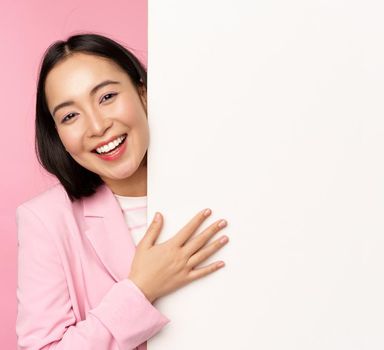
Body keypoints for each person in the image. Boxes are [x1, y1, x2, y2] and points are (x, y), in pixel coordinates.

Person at [15, 33, 230, 350]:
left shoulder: (224, 177)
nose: (98, 126)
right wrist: (140, 288)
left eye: (106, 97)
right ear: (57, 134)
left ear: (142, 92)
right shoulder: (45, 220)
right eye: (70, 116)